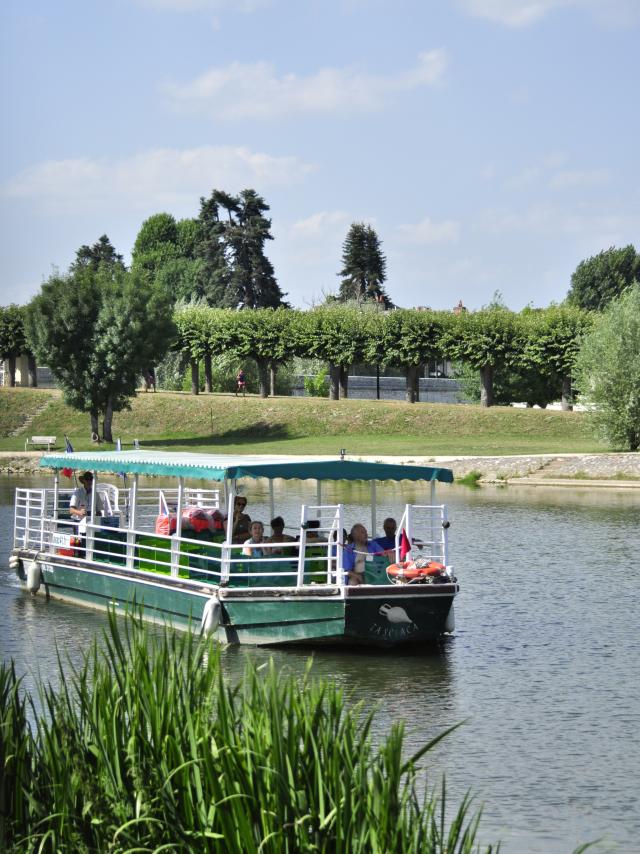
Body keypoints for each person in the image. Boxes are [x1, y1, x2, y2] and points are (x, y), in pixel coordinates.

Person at [69, 471, 103, 554]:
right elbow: (71, 510)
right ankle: (79, 556)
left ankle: (89, 555)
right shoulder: (77, 492)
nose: (89, 481)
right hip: (78, 521)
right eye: (87, 479)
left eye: (91, 479)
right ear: (83, 481)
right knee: (79, 543)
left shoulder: (96, 494)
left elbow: (99, 511)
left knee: (92, 542)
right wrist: (79, 512)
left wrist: (97, 517)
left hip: (91, 521)